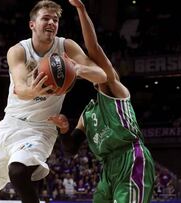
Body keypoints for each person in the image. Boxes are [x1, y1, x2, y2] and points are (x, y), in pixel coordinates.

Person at [0, 1, 107, 202]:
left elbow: (102, 75)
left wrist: (79, 70)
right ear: (32, 24)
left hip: (41, 127)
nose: (52, 22)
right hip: (10, 123)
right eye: (46, 18)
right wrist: (32, 90)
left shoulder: (66, 47)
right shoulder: (18, 51)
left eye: (55, 19)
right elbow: (20, 88)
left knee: (17, 171)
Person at [50, 0, 156, 202]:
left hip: (131, 158)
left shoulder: (115, 88)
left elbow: (93, 48)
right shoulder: (87, 114)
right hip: (107, 169)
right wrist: (63, 130)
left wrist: (81, 9)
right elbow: (71, 149)